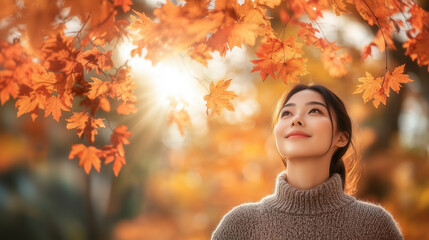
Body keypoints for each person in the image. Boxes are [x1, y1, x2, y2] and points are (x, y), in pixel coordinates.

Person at [211, 84, 403, 240]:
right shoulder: (240, 224)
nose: (296, 120)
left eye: (314, 111)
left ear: (342, 138)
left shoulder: (374, 225)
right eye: (286, 114)